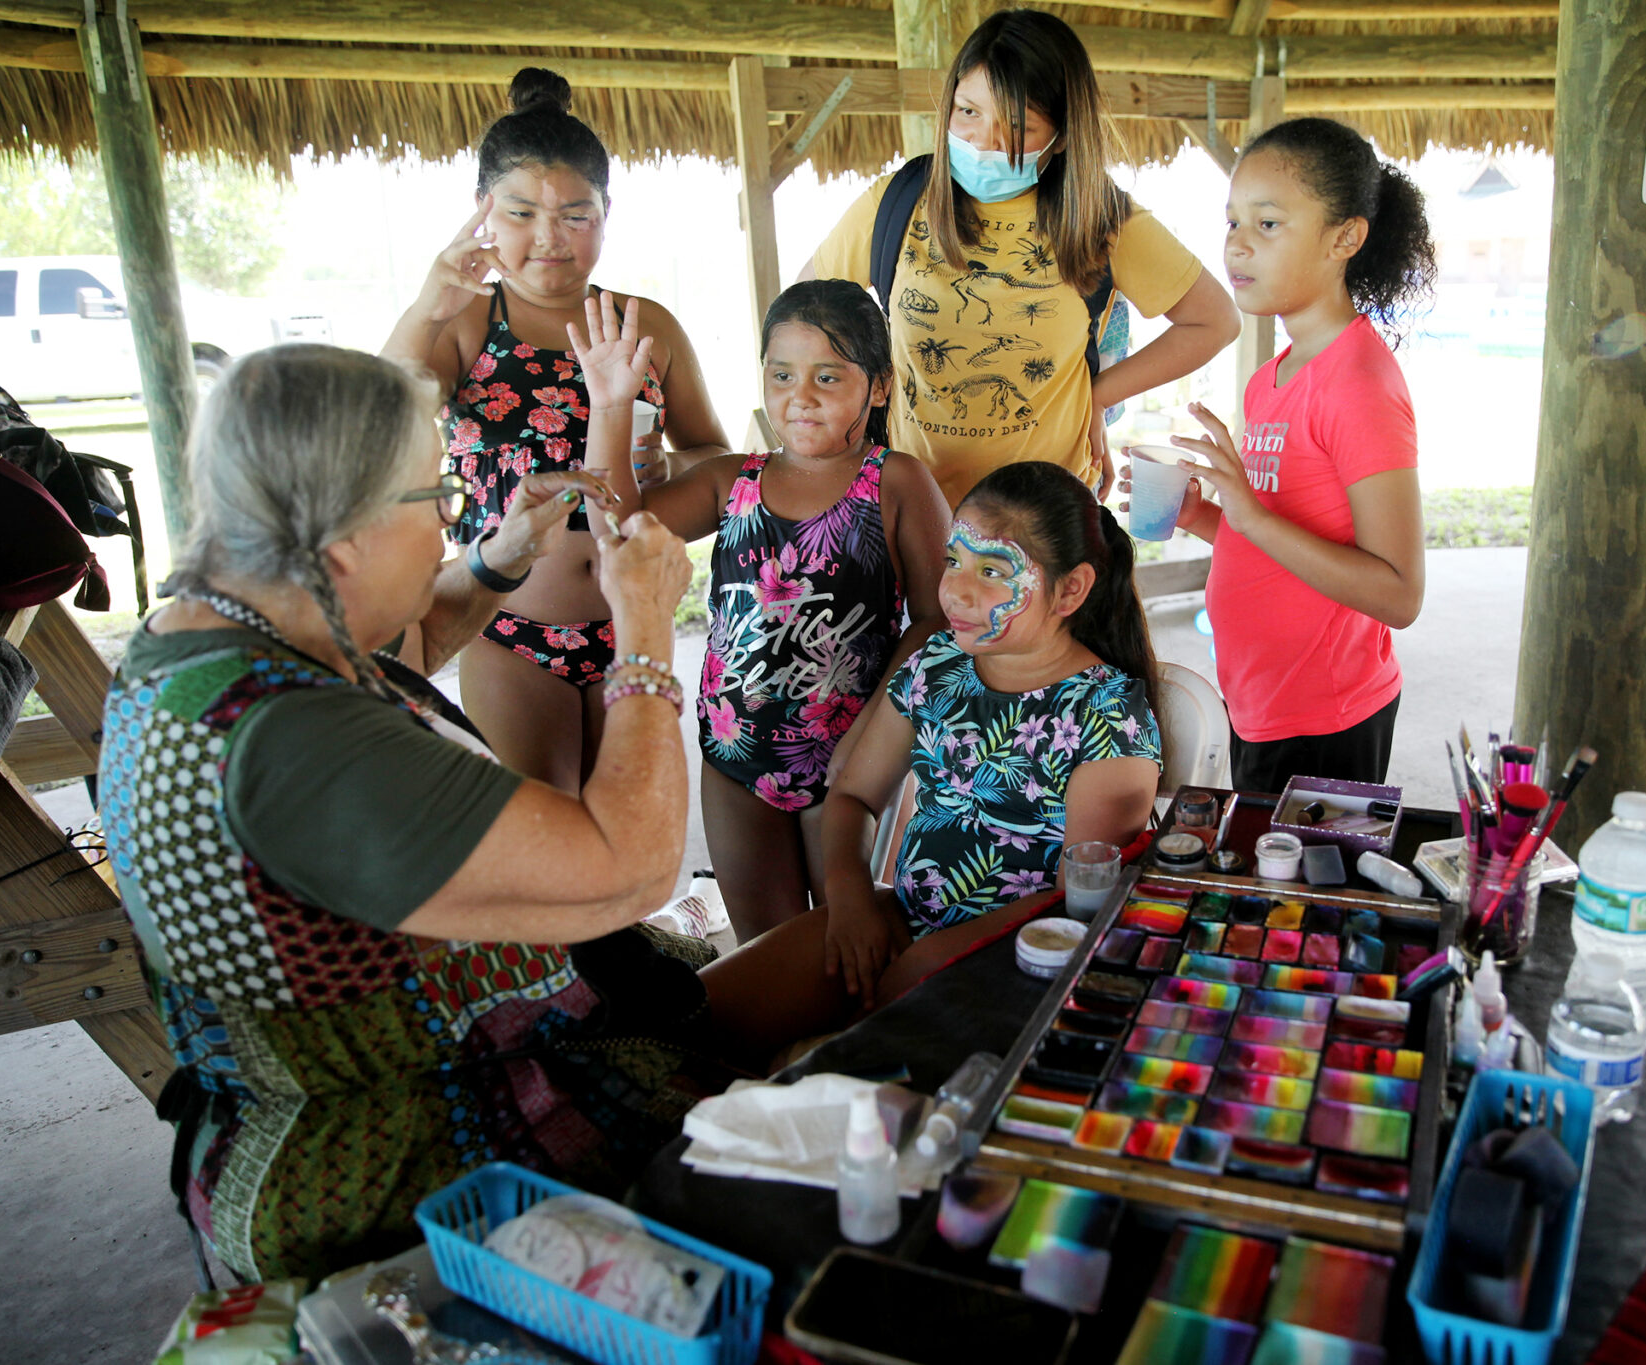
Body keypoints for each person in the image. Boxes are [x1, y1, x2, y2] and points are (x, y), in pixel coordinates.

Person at [103, 343, 746, 1284]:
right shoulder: (294, 743)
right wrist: (645, 630)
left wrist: (503, 553)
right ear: (345, 540)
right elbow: (635, 869)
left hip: (396, 1078)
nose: (449, 518)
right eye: (435, 497)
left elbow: (394, 642)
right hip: (411, 1144)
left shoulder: (210, 633)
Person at [701, 462, 1162, 1054]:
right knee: (698, 1020)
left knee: (827, 1067)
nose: (957, 591)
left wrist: (936, 958)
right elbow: (852, 796)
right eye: (953, 561)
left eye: (993, 571)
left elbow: (1075, 904)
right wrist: (849, 897)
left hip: (1018, 959)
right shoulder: (938, 663)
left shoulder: (1106, 719)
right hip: (901, 921)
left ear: (1070, 589)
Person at [382, 67, 727, 791]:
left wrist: (670, 474)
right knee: (544, 842)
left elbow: (710, 452)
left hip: (629, 626)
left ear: (607, 212)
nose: (551, 239)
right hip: (506, 632)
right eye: (520, 214)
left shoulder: (645, 326)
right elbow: (375, 424)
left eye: (577, 215)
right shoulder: (466, 320)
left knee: (623, 843)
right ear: (481, 210)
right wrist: (425, 309)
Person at [599, 280, 951, 941]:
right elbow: (619, 532)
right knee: (770, 950)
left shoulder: (897, 481)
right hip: (734, 760)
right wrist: (613, 409)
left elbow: (938, 620)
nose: (802, 395)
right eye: (782, 373)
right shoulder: (731, 481)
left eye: (828, 375)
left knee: (854, 946)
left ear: (878, 386)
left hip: (850, 762)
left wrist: (874, 734)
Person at [800, 8, 1238, 507]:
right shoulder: (896, 201)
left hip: (1045, 519)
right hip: (917, 512)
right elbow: (803, 314)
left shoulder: (1098, 218)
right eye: (967, 112)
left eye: (1017, 127)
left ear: (1064, 133)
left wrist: (1096, 396)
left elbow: (1215, 321)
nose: (983, 143)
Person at [1135, 117, 1431, 789]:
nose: (1238, 245)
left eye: (1268, 225)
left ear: (1344, 238)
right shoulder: (1275, 376)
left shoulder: (1359, 383)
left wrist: (1253, 516)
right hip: (1260, 705)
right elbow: (1268, 537)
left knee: (1304, 896)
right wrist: (1202, 516)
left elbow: (1399, 592)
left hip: (1325, 719)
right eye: (1232, 222)